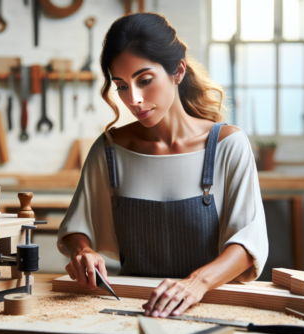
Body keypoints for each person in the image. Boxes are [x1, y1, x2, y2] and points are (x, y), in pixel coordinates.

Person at [57, 12, 268, 318]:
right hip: (135, 310)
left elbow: (249, 245)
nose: (135, 100)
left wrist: (196, 283)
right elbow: (75, 229)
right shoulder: (109, 150)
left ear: (178, 71)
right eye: (122, 86)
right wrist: (83, 251)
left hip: (211, 307)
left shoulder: (227, 146)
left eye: (144, 80)